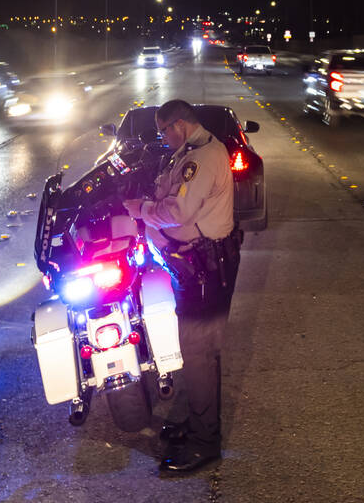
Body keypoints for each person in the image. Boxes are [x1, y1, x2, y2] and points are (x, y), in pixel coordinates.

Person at [123, 99, 242, 475]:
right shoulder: (189, 153)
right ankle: (198, 421)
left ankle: (206, 444)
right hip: (194, 265)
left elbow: (177, 212)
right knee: (195, 353)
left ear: (179, 125)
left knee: (200, 354)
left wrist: (139, 209)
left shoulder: (202, 158)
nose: (163, 138)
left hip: (206, 267)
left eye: (163, 131)